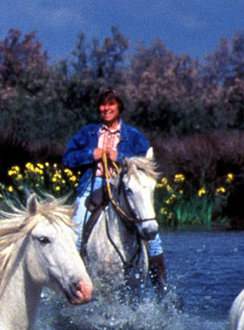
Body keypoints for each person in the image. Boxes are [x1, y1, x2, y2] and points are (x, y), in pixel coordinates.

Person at [62, 87, 168, 292]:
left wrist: (117, 157)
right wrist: (91, 154)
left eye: (111, 104)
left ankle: (162, 288)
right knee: (75, 229)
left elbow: (145, 161)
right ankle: (74, 284)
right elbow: (68, 158)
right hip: (94, 184)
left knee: (151, 231)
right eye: (102, 105)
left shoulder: (134, 136)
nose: (106, 108)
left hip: (125, 186)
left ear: (119, 107)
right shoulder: (88, 132)